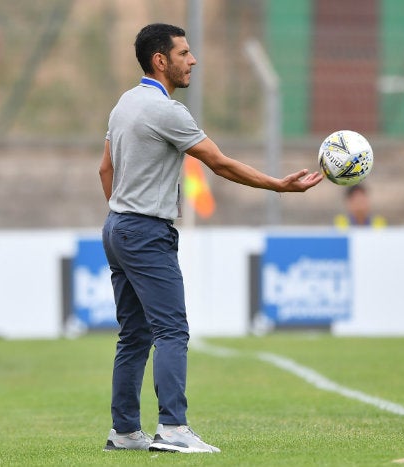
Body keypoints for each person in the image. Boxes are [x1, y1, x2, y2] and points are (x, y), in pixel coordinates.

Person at [99, 23, 322, 454]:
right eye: (184, 53)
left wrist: (121, 212)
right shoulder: (167, 111)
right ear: (160, 60)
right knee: (171, 330)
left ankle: (125, 432)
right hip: (144, 230)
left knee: (134, 335)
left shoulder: (124, 103)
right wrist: (279, 185)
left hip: (117, 225)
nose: (193, 60)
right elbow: (219, 163)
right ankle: (173, 429)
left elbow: (104, 170)